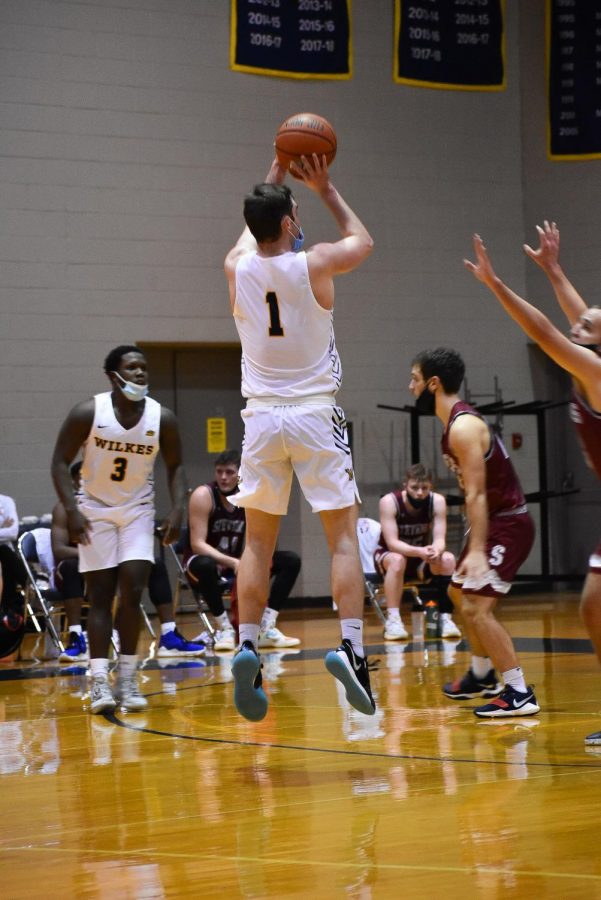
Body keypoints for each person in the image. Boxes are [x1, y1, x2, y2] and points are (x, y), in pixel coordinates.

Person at [224, 152, 375, 722]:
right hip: (314, 413)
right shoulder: (314, 264)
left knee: (257, 543)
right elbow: (363, 240)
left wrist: (275, 174)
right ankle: (353, 650)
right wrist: (327, 188)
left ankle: (246, 645)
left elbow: (248, 236)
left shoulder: (236, 269)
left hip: (260, 419)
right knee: (340, 536)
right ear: (290, 223)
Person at [464, 223, 601, 742]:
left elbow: (544, 331)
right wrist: (554, 270)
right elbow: (573, 315)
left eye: (585, 324)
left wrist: (497, 285)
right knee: (594, 603)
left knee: (594, 601)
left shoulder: (595, 371)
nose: (577, 320)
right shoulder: (591, 358)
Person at [50, 345, 187, 714]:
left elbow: (175, 467)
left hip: (138, 511)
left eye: (144, 367)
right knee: (101, 595)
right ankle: (98, 682)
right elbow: (60, 463)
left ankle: (126, 678)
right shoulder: (88, 412)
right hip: (94, 510)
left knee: (133, 589)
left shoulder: (163, 418)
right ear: (114, 375)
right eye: (132, 368)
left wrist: (178, 507)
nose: (141, 373)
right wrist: (72, 510)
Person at [409, 347, 539, 717]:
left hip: (508, 523)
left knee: (477, 609)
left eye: (415, 380)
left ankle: (518, 691)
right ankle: (482, 675)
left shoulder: (464, 427)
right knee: (455, 590)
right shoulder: (454, 424)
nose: (410, 387)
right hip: (495, 522)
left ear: (433, 384)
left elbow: (478, 493)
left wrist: (478, 549)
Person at [185, 449, 301, 651]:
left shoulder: (247, 497)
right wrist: (233, 562)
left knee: (290, 561)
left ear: (240, 473)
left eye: (229, 472)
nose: (223, 477)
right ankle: (225, 629)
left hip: (238, 564)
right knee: (205, 564)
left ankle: (265, 626)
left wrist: (247, 562)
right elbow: (197, 544)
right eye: (219, 471)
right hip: (203, 565)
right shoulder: (203, 495)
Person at [375, 463, 460, 640]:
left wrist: (436, 550)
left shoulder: (437, 501)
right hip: (389, 557)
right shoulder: (389, 502)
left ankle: (446, 618)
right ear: (405, 484)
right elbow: (392, 543)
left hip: (418, 559)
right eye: (415, 487)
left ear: (431, 487)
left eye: (424, 488)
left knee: (449, 560)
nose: (420, 492)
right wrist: (420, 551)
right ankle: (394, 620)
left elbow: (439, 538)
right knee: (398, 560)